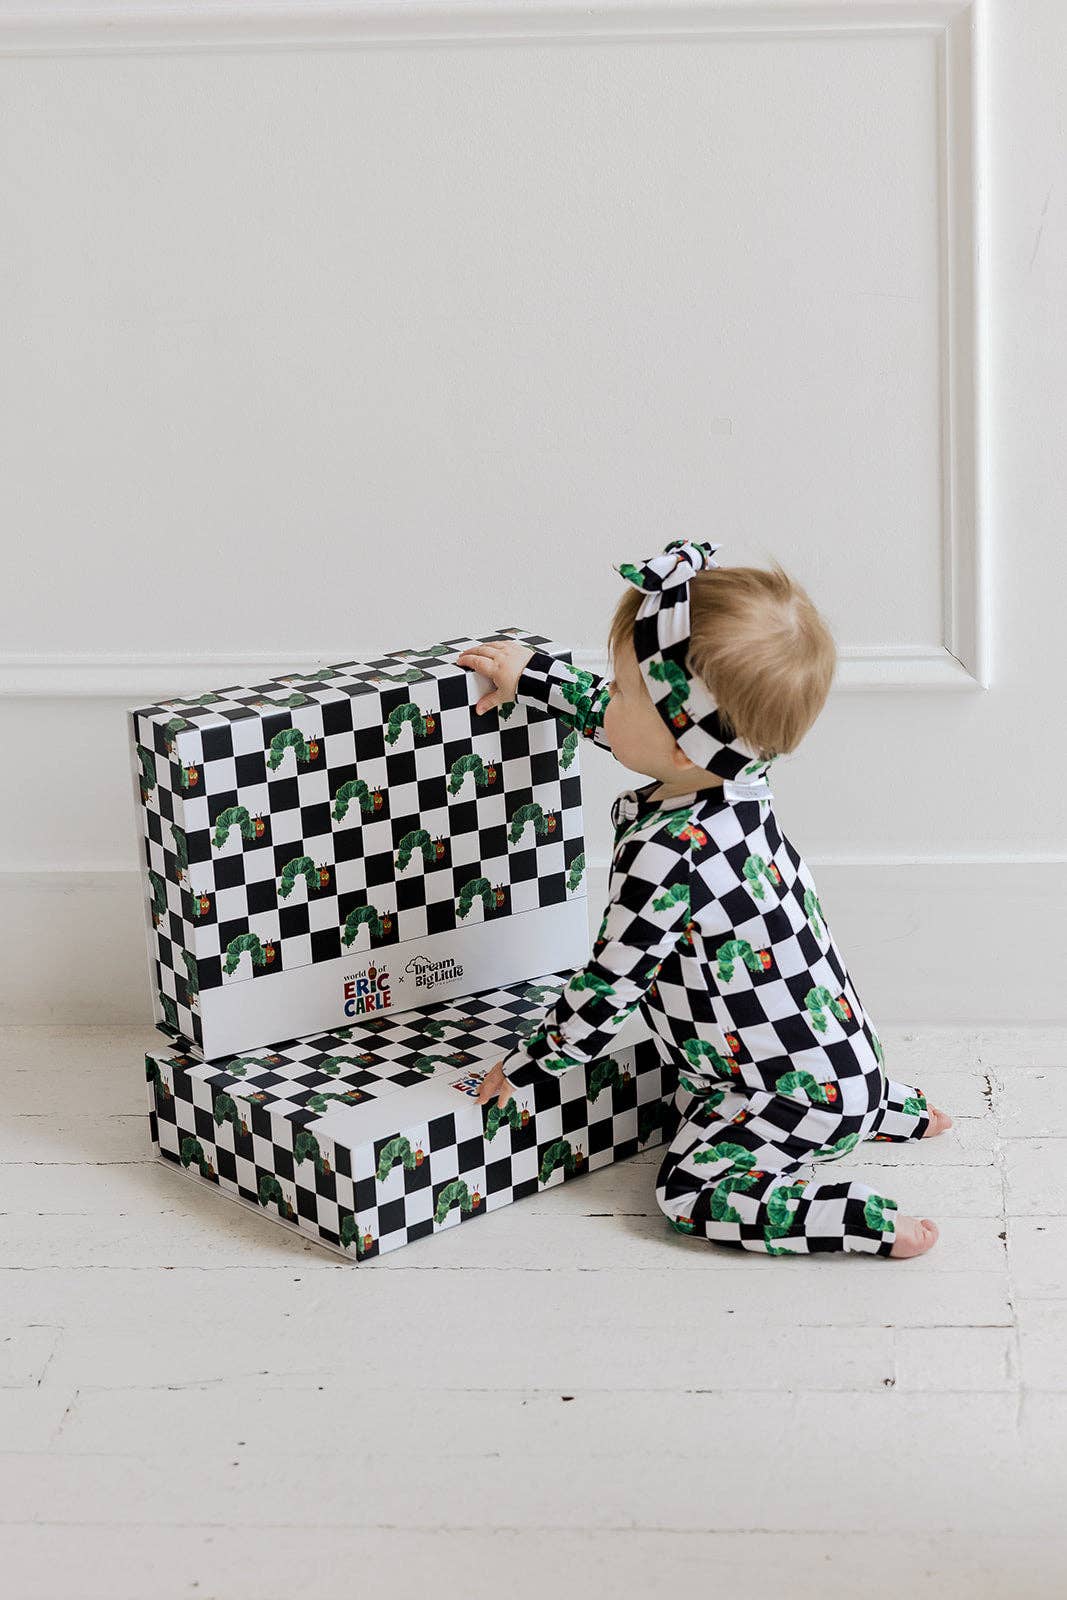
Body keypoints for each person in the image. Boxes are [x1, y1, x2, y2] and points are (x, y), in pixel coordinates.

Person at [456, 539, 951, 1259]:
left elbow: (610, 987)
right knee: (797, 1032)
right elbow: (633, 729)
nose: (608, 696)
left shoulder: (668, 855)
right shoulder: (738, 777)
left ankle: (853, 1219)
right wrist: (536, 677)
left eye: (620, 687)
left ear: (686, 742)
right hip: (846, 1062)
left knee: (689, 1192)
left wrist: (531, 1064)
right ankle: (882, 1107)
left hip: (778, 1098)